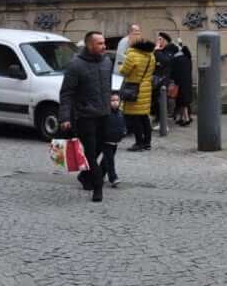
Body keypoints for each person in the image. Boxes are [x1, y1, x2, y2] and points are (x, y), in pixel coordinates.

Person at [58, 31, 113, 202]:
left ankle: (85, 175)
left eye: (104, 43)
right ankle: (97, 187)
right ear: (89, 45)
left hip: (105, 113)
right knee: (90, 152)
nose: (104, 47)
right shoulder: (76, 65)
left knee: (107, 148)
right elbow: (66, 93)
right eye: (100, 44)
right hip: (85, 116)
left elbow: (108, 87)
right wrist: (65, 118)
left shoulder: (107, 61)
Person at [119, 37, 156, 152]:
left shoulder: (132, 55)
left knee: (135, 118)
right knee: (144, 117)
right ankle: (147, 143)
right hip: (146, 87)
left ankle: (139, 142)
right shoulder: (151, 56)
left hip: (134, 88)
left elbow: (124, 71)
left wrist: (120, 65)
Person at [152, 32, 179, 128]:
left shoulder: (170, 50)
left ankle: (163, 124)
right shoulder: (160, 51)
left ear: (165, 41)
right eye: (157, 39)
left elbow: (165, 61)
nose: (157, 41)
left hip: (165, 80)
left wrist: (157, 51)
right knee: (157, 101)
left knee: (162, 101)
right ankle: (159, 119)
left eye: (160, 39)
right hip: (157, 80)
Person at [101, 91, 126, 187]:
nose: (115, 102)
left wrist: (124, 132)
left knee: (106, 160)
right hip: (106, 140)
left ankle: (99, 175)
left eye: (117, 100)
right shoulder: (106, 113)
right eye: (112, 100)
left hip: (115, 141)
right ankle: (113, 178)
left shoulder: (120, 113)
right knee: (110, 160)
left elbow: (123, 124)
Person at [171, 40, 194, 127]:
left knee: (182, 102)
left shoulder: (176, 59)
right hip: (187, 82)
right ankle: (182, 118)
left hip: (179, 83)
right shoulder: (187, 58)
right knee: (184, 102)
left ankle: (186, 118)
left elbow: (173, 73)